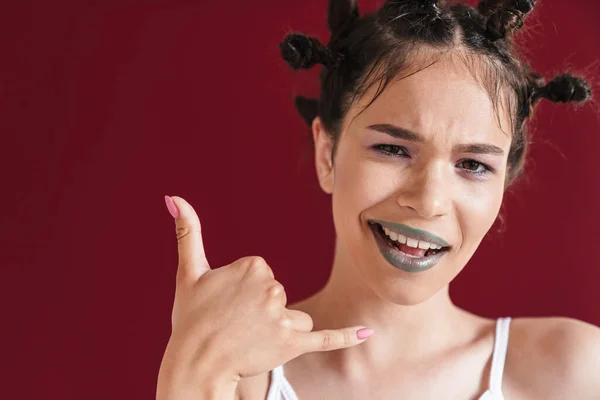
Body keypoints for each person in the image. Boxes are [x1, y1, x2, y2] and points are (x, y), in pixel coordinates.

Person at [156, 0, 600, 399]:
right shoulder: (236, 377)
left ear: (503, 182)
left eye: (473, 165)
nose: (428, 201)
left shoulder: (570, 374)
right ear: (327, 154)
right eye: (393, 149)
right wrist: (189, 375)